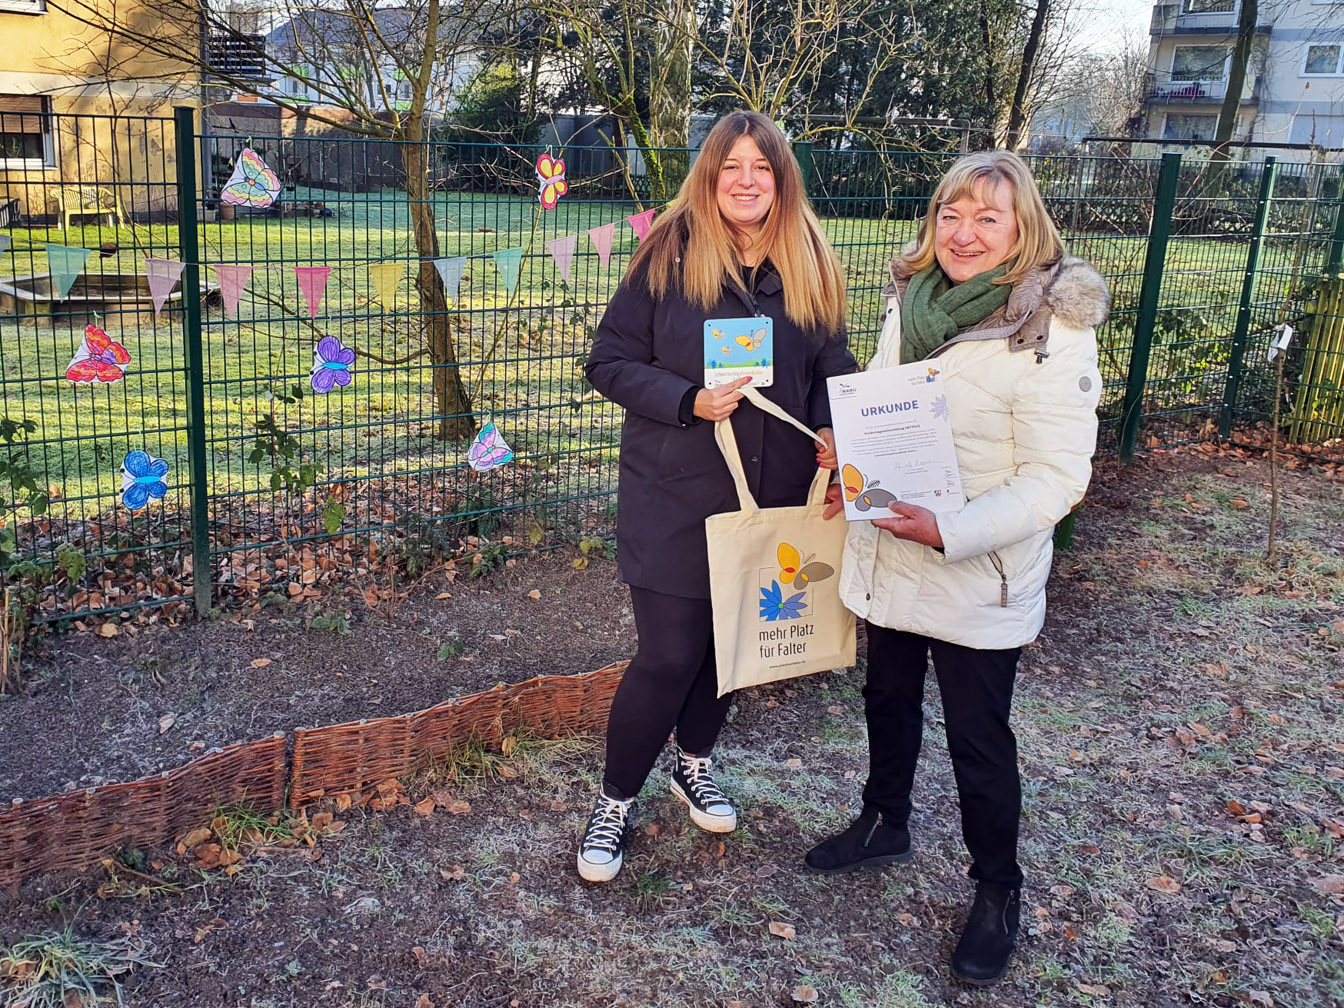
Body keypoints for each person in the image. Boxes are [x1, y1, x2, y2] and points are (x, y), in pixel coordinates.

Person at [804, 150, 1108, 985]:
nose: (964, 233)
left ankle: (997, 889)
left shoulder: (1051, 327)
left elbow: (1057, 478)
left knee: (979, 740)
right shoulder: (912, 298)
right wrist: (848, 462)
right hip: (891, 545)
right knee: (887, 699)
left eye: (987, 218)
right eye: (951, 213)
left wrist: (952, 530)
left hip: (976, 568)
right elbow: (880, 403)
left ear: (1022, 227)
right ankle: (884, 821)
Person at [580, 110, 856, 883]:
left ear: (781, 179)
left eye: (760, 166)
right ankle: (614, 801)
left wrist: (835, 430)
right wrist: (687, 399)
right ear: (709, 175)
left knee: (733, 645)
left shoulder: (809, 259)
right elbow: (607, 362)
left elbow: (832, 365)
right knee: (669, 656)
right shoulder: (667, 253)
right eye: (731, 165)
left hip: (773, 495)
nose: (745, 180)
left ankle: (693, 762)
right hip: (674, 492)